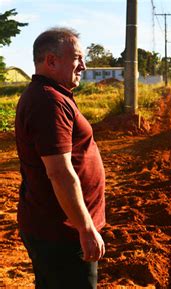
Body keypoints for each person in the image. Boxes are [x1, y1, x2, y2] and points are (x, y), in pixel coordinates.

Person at [15, 27, 106, 289]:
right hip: (62, 233)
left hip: (61, 228)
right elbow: (60, 172)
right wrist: (85, 228)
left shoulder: (53, 96)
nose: (84, 66)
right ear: (51, 61)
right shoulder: (48, 101)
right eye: (77, 58)